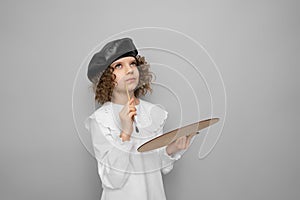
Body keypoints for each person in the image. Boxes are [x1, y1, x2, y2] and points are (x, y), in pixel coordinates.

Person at [84, 37, 195, 200]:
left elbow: (155, 164)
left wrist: (173, 148)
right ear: (106, 77)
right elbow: (112, 179)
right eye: (119, 66)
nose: (129, 70)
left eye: (133, 63)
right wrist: (125, 134)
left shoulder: (153, 113)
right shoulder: (101, 120)